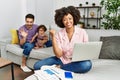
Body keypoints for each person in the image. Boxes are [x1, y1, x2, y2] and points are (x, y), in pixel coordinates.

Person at [34, 6, 92, 73]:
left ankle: (60, 68)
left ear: (74, 19)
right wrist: (53, 37)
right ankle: (67, 67)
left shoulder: (82, 32)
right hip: (61, 59)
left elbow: (86, 50)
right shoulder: (59, 34)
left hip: (76, 61)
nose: (68, 22)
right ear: (61, 21)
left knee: (87, 65)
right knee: (37, 66)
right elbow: (59, 55)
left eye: (70, 18)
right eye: (65, 20)